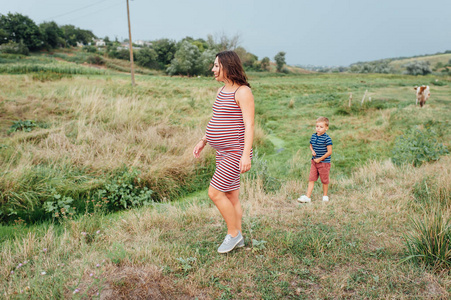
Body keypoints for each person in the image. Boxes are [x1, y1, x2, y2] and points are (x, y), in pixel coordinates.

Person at [193, 51, 254, 253]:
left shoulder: (243, 92)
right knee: (231, 195)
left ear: (228, 66)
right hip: (222, 151)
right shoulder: (222, 91)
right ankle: (240, 237)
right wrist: (204, 140)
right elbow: (216, 120)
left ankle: (233, 235)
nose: (213, 69)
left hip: (236, 152)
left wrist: (245, 155)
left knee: (215, 192)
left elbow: (249, 125)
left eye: (217, 66)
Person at [297, 117, 333, 203]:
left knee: (324, 180)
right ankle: (307, 197)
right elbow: (310, 145)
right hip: (314, 162)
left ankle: (325, 196)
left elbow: (329, 152)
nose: (318, 129)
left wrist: (320, 159)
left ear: (326, 128)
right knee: (311, 179)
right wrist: (312, 151)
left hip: (324, 163)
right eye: (317, 126)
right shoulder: (313, 136)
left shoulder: (327, 138)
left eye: (321, 127)